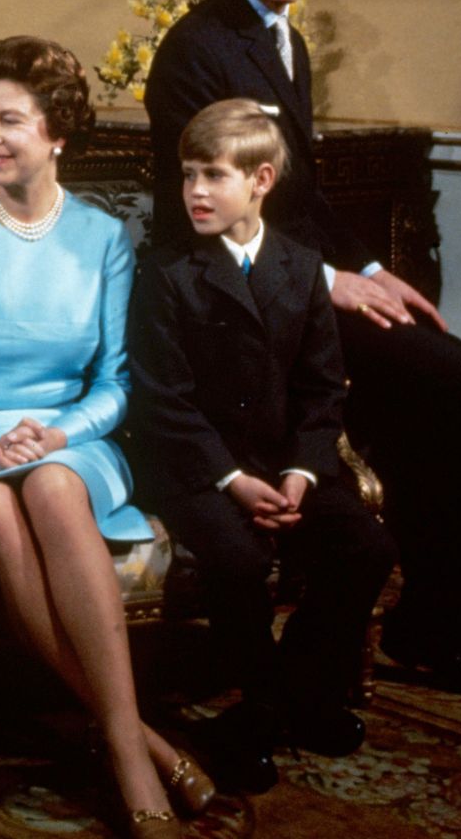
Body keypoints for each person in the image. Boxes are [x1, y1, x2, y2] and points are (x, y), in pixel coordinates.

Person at [143, 0, 461, 702]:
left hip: (297, 277)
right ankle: (431, 621)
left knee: (448, 368)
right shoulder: (198, 48)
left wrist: (368, 270)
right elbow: (203, 210)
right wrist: (327, 282)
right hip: (238, 299)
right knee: (450, 383)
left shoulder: (282, 35)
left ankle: (443, 591)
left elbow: (302, 191)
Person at [0, 36, 212, 839]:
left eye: (10, 121)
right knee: (1, 515)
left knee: (57, 489)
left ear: (57, 133)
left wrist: (59, 432)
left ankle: (124, 749)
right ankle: (139, 742)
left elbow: (118, 382)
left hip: (70, 432)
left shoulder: (101, 239)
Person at [128, 99, 397, 794]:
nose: (195, 192)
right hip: (195, 467)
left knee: (365, 546)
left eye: (214, 176)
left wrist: (304, 473)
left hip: (287, 464)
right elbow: (164, 400)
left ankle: (298, 689)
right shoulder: (166, 272)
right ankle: (259, 709)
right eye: (188, 175)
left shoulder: (302, 267)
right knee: (240, 555)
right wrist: (232, 480)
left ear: (262, 180)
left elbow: (321, 390)